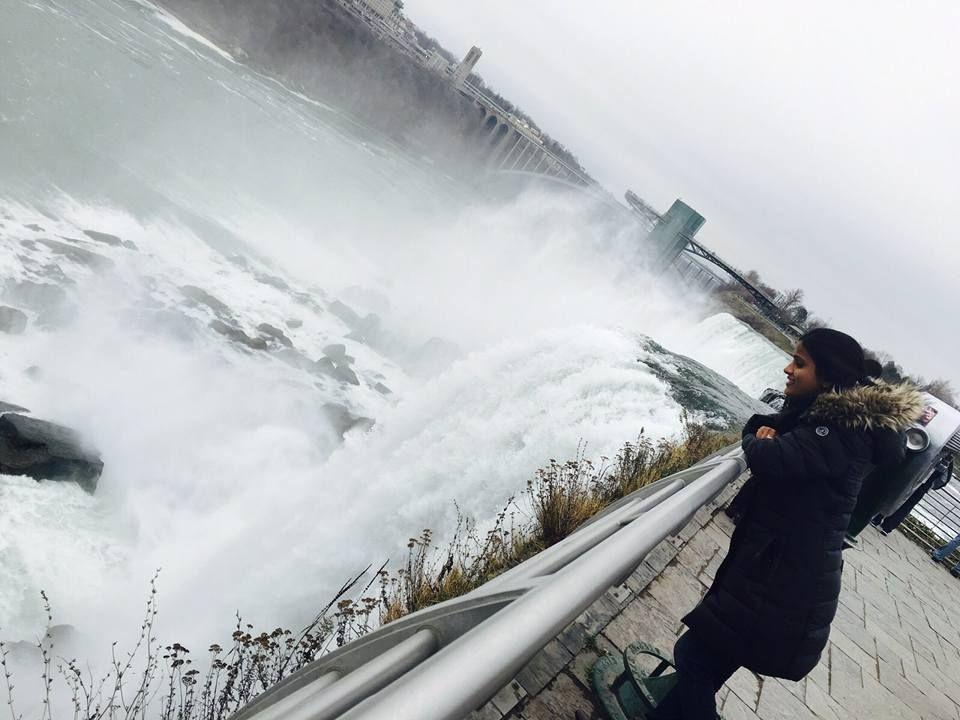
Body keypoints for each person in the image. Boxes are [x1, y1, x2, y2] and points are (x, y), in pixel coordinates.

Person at [645, 328, 923, 720]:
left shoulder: (839, 431)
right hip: (781, 573)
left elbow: (768, 457)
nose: (787, 368)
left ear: (827, 377)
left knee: (692, 657)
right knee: (711, 665)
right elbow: (772, 430)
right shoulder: (838, 422)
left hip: (780, 582)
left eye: (800, 363)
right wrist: (768, 431)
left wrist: (761, 439)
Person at [875, 454, 954, 534]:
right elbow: (944, 480)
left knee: (895, 497)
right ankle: (887, 527)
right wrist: (931, 485)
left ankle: (878, 517)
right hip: (924, 485)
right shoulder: (949, 460)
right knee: (907, 506)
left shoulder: (933, 447)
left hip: (912, 477)